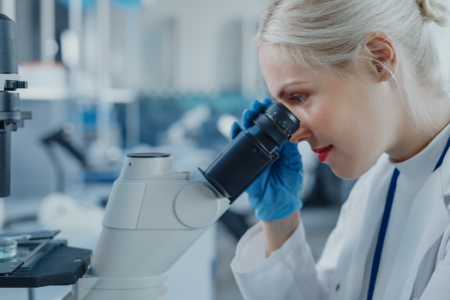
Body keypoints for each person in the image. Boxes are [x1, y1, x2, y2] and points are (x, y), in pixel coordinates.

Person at [229, 0, 450, 299]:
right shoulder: (372, 188)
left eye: (298, 97)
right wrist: (279, 221)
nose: (292, 135)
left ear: (378, 59)